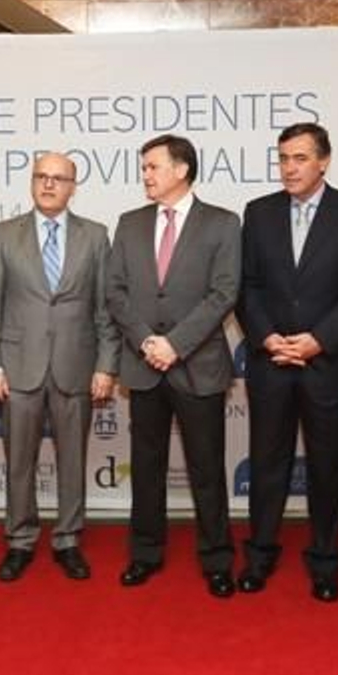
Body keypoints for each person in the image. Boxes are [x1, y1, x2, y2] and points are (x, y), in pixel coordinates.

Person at [236, 123, 338, 603]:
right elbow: (248, 285)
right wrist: (267, 337)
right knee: (267, 464)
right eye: (283, 158)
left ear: (324, 161)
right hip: (273, 359)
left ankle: (325, 560)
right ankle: (259, 555)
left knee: (327, 468)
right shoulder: (258, 213)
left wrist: (319, 339)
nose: (290, 168)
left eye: (300, 158)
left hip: (328, 361)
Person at [105, 134, 241, 598]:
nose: (145, 174)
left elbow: (224, 293)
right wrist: (147, 341)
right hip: (144, 365)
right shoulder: (128, 223)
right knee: (146, 466)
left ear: (181, 170)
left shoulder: (222, 224)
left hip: (196, 365)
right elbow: (115, 292)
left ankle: (218, 559)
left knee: (206, 468)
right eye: (143, 167)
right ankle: (144, 554)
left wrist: (176, 344)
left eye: (152, 166)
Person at [0, 152, 119, 583]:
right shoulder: (4, 234)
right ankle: (19, 540)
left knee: (73, 460)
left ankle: (68, 539)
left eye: (59, 179)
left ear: (74, 186)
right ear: (32, 182)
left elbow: (105, 310)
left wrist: (106, 365)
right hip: (18, 370)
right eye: (42, 177)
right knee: (18, 461)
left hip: (77, 367)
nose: (49, 185)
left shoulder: (96, 236)